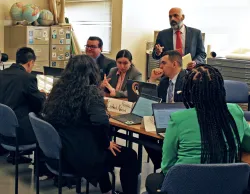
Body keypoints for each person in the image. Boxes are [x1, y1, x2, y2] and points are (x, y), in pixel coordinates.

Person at [145, 64, 250, 194]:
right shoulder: (235, 111)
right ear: (220, 89)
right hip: (227, 185)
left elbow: (168, 166)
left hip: (186, 187)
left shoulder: (178, 118)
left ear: (189, 91)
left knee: (152, 179)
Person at [42, 55, 139, 194]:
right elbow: (100, 122)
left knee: (97, 139)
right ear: (92, 72)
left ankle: (106, 189)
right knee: (130, 156)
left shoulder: (59, 89)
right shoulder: (90, 92)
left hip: (63, 149)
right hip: (81, 155)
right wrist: (106, 143)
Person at [0, 47, 46, 162]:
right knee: (44, 122)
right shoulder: (28, 78)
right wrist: (43, 95)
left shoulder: (2, 74)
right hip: (20, 134)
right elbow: (39, 104)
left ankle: (14, 155)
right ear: (30, 63)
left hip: (3, 133)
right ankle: (42, 169)